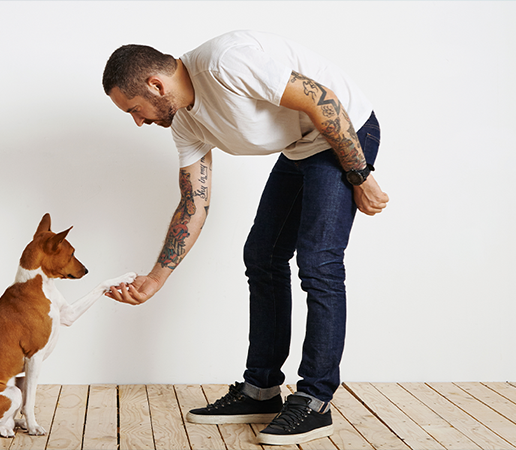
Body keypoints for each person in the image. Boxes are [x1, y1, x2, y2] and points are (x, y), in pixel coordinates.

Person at [101, 30, 388, 446]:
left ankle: (315, 400)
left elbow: (321, 99)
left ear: (155, 86)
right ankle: (261, 390)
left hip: (343, 130)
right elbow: (192, 205)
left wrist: (359, 175)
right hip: (300, 147)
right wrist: (154, 278)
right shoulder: (184, 123)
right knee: (263, 255)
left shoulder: (225, 63)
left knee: (318, 260)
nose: (139, 121)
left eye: (135, 109)